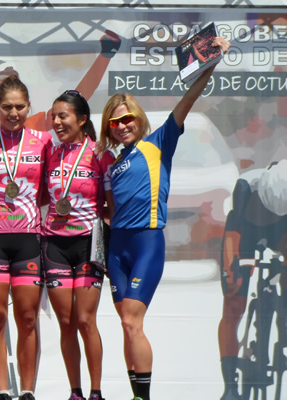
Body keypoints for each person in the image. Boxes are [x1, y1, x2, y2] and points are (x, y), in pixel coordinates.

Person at [98, 37, 231, 400]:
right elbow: (108, 209)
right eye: (115, 121)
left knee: (132, 320)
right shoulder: (110, 161)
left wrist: (212, 63)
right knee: (126, 326)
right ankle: (135, 394)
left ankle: (144, 397)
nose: (122, 125)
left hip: (147, 241)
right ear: (109, 127)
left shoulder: (158, 142)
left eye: (127, 118)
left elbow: (188, 100)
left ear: (138, 119)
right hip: (117, 247)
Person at [0, 75, 52, 400]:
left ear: (28, 107)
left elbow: (58, 185)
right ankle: (2, 391)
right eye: (6, 107)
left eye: (19, 107)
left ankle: (28, 390)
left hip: (29, 238)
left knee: (28, 318)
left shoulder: (44, 141)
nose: (13, 113)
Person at [42, 90, 115, 400]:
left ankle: (96, 392)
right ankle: (76, 392)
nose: (57, 122)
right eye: (54, 117)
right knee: (66, 322)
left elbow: (112, 206)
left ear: (82, 119)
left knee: (85, 320)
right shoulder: (50, 151)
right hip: (54, 244)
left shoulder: (100, 154)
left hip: (87, 244)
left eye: (63, 116)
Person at [217, 160, 287, 400]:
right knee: (233, 302)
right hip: (246, 230)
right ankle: (230, 386)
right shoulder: (247, 186)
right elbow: (233, 238)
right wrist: (234, 271)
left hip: (283, 230)